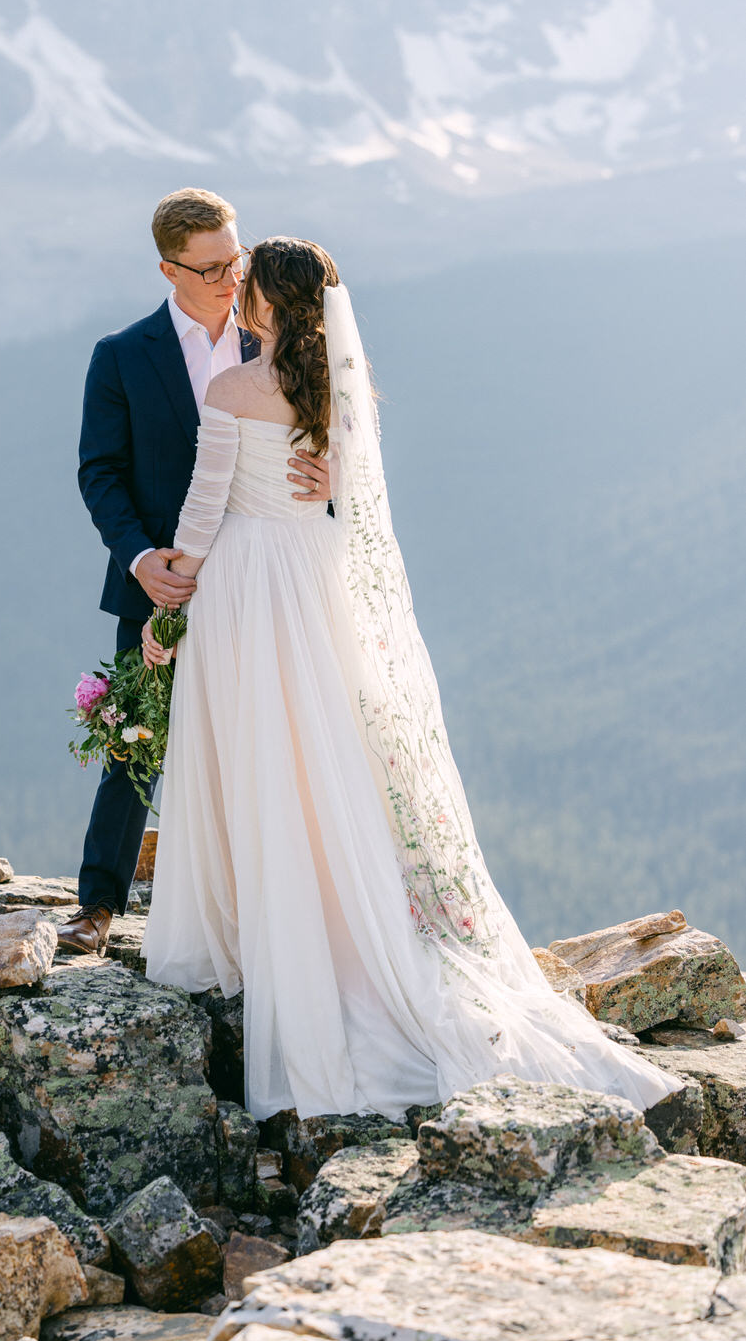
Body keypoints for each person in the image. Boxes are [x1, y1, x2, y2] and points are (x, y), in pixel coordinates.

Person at [140, 236, 679, 1123]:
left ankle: (267, 939)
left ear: (264, 305)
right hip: (314, 581)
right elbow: (348, 494)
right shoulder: (333, 391)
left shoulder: (234, 387)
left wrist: (169, 605)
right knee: (326, 754)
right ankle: (338, 921)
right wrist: (321, 480)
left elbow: (203, 508)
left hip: (248, 586)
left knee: (260, 751)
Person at [61, 192, 333, 956]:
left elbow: (332, 431)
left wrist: (332, 473)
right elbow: (99, 474)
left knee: (270, 734)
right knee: (136, 739)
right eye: (210, 267)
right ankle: (97, 906)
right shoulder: (120, 354)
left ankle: (264, 909)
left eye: (234, 261)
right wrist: (145, 562)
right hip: (163, 581)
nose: (228, 278)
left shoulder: (274, 343)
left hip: (266, 576)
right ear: (167, 267)